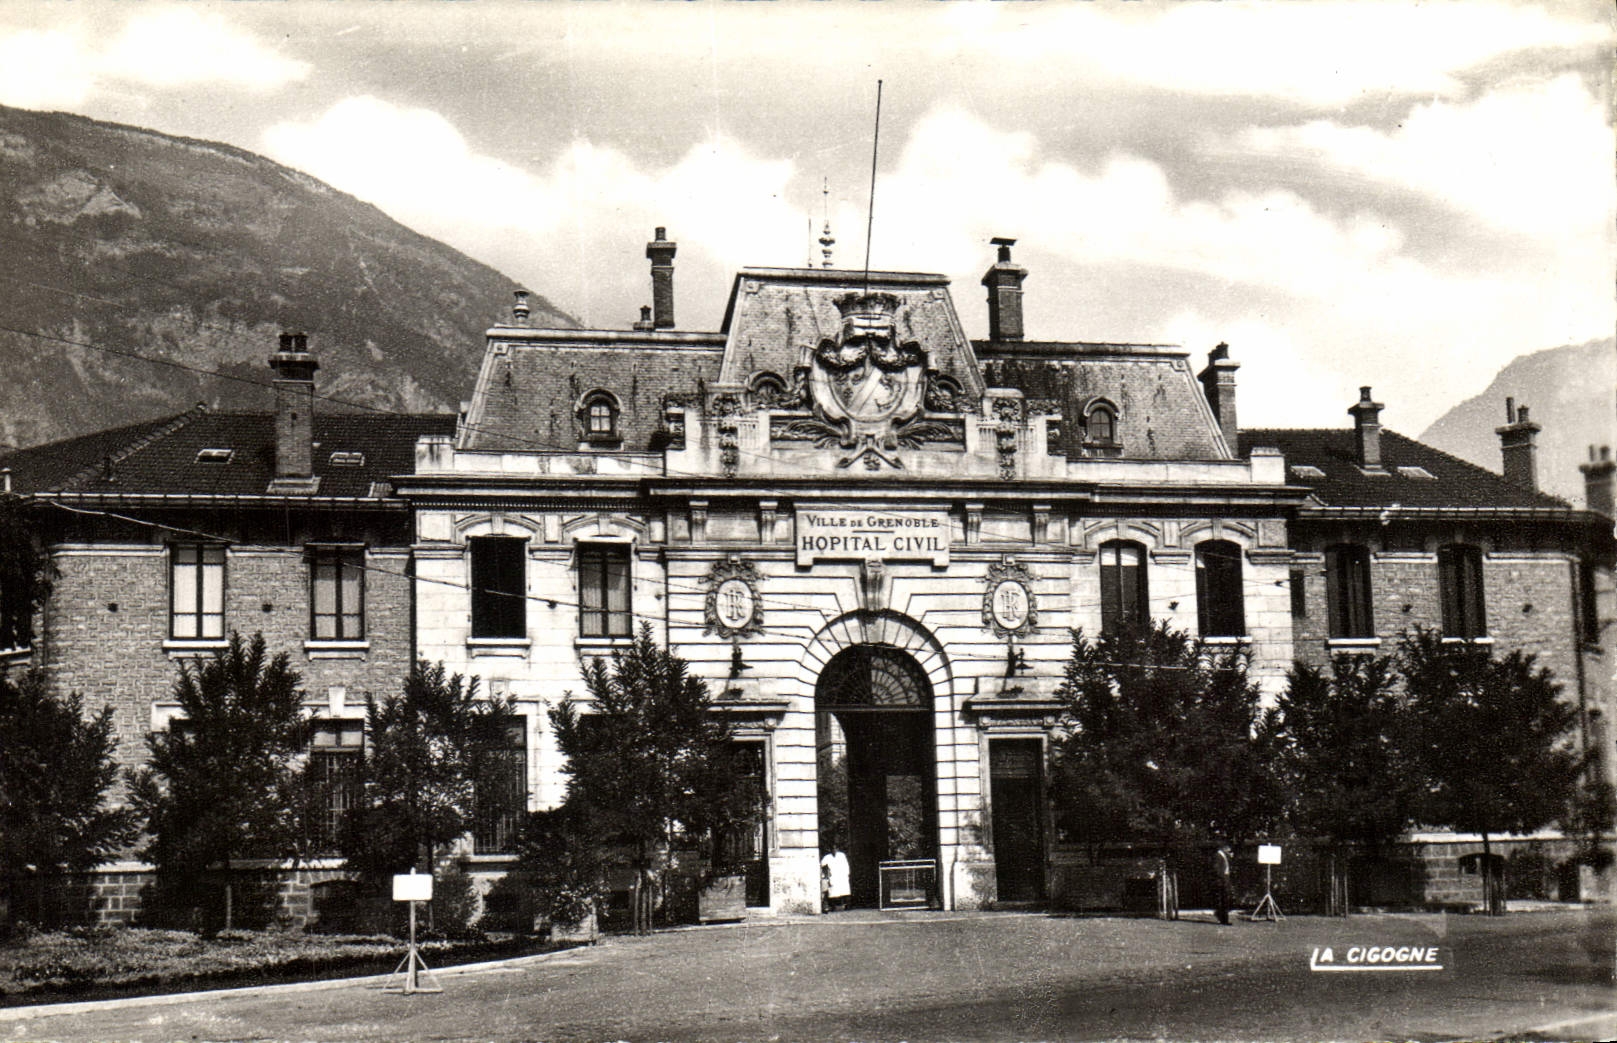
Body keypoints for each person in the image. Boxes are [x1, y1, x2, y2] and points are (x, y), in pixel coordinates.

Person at [1213, 843, 1233, 925]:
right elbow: (1217, 869)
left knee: (1225, 900)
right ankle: (1223, 919)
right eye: (1228, 848)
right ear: (1223, 848)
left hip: (1225, 879)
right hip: (1222, 881)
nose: (1229, 850)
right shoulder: (1218, 856)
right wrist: (1222, 878)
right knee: (1223, 900)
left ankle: (1223, 918)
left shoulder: (1224, 856)